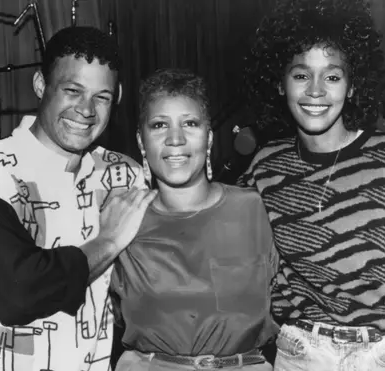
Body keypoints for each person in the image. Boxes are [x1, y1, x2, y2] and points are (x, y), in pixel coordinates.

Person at [238, 0, 385, 370]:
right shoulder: (265, 169)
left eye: (332, 76)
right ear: (279, 83)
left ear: (352, 86)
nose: (315, 90)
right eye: (300, 75)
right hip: (302, 354)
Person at [0, 26, 156, 371]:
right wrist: (110, 240)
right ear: (41, 85)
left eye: (101, 96)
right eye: (72, 91)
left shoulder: (123, 174)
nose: (86, 110)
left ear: (117, 96)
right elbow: (20, 292)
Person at [109, 68, 278, 371]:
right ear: (141, 141)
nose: (176, 139)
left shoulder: (254, 208)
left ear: (209, 139)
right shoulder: (123, 216)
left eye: (190, 123)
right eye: (159, 125)